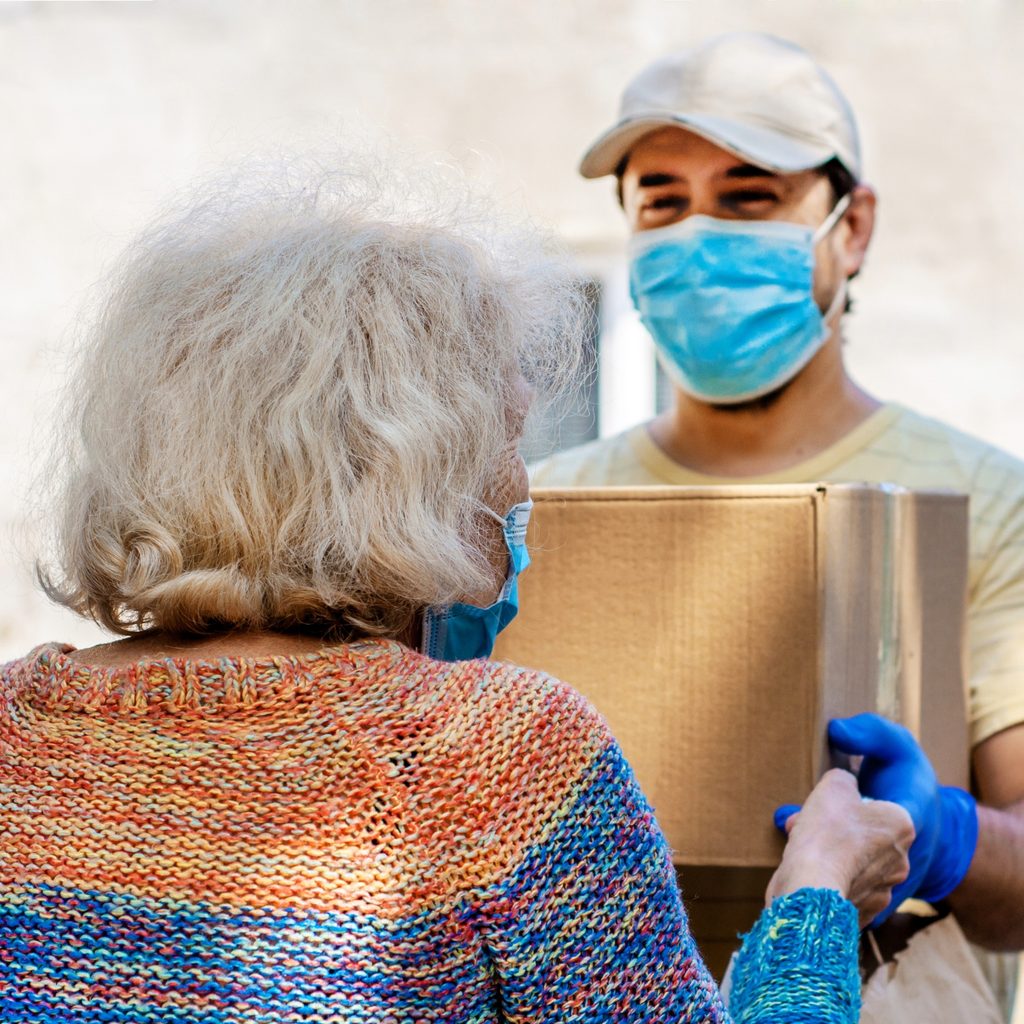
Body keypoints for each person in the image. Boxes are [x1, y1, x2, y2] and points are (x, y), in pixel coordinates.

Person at [0, 160, 913, 1021]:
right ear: (411, 470)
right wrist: (815, 899)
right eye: (510, 436)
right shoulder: (494, 755)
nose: (521, 483)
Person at [531, 29, 1024, 1015]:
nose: (698, 233)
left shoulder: (986, 500)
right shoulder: (540, 509)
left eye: (749, 196)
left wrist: (947, 838)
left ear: (852, 227)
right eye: (661, 201)